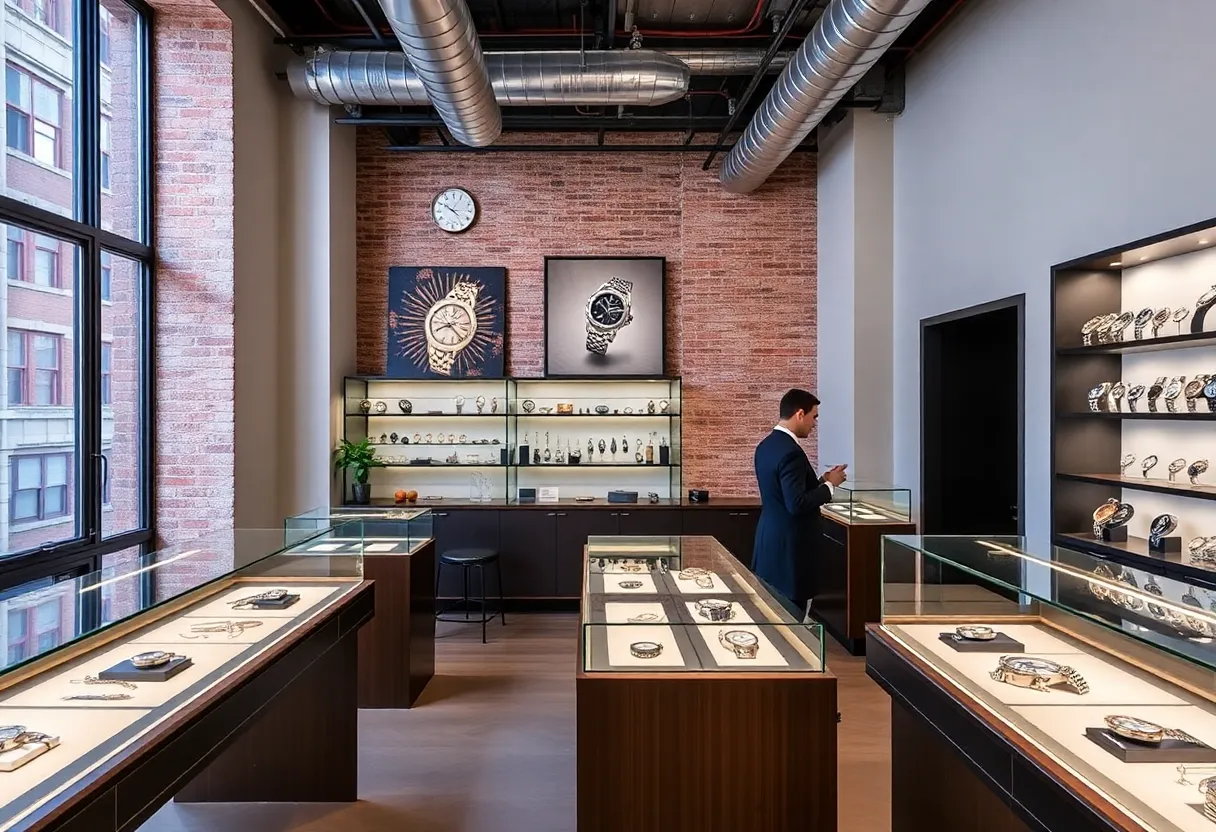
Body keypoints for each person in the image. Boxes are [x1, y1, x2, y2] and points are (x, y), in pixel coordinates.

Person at [751, 389, 847, 619]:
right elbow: (796, 503)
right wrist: (830, 486)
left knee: (771, 616)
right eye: (814, 417)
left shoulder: (766, 446)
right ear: (800, 414)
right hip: (791, 551)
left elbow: (787, 493)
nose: (815, 425)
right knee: (792, 623)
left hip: (770, 543)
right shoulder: (791, 452)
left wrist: (822, 480)